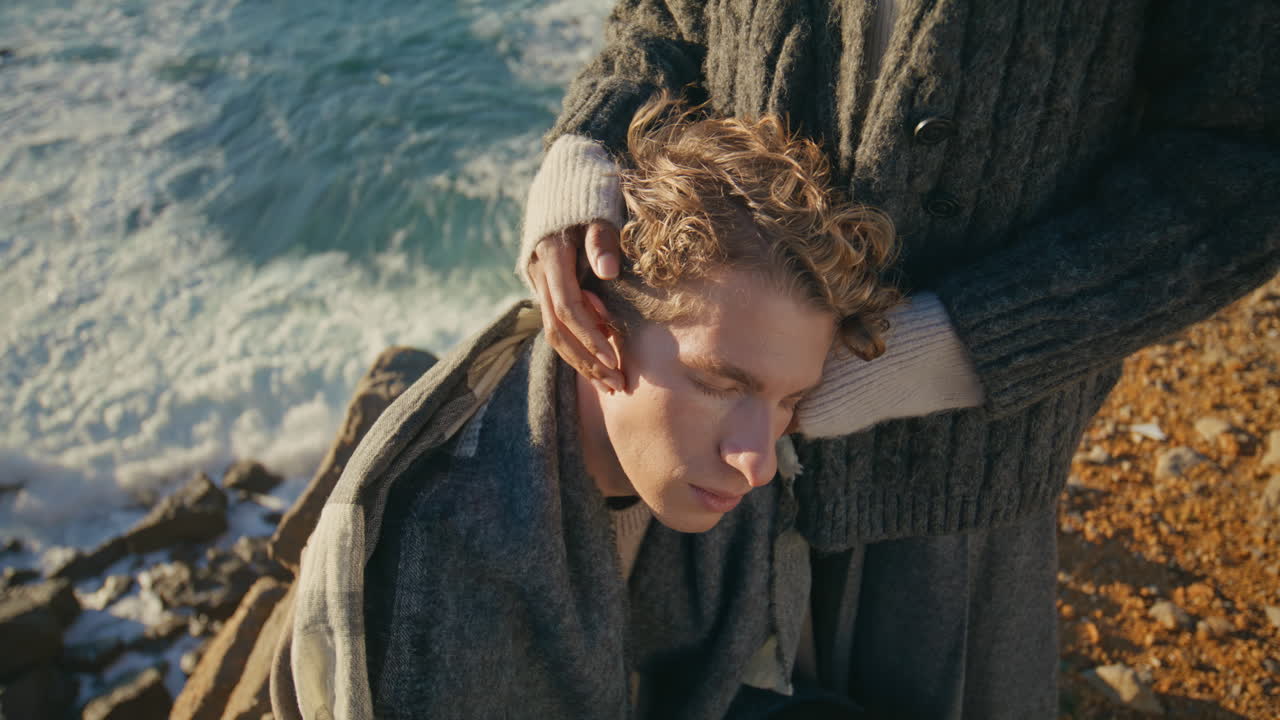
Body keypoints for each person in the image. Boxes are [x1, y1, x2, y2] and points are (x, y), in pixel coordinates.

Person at [520, 1, 1280, 717]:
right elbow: (663, 16)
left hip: (966, 484)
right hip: (699, 483)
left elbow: (1253, 145)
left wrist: (960, 342)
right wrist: (587, 143)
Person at [269, 94, 901, 720]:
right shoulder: (444, 552)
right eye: (720, 384)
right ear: (595, 332)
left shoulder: (728, 473)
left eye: (790, 399)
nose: (758, 463)